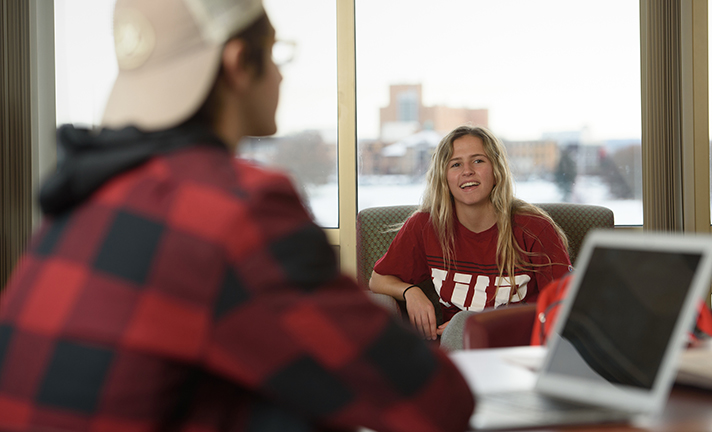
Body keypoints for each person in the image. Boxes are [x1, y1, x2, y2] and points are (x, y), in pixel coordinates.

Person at [0, 1, 474, 431]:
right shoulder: (236, 208)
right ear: (238, 63)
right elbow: (435, 403)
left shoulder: (82, 199)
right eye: (275, 54)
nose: (283, 76)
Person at [370, 125, 572, 349]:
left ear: (496, 171)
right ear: (444, 177)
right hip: (457, 347)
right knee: (461, 326)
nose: (467, 171)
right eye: (456, 164)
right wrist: (410, 291)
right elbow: (378, 280)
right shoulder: (426, 225)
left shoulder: (534, 228)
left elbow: (564, 307)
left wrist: (480, 327)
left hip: (520, 348)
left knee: (464, 323)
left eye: (478, 161)